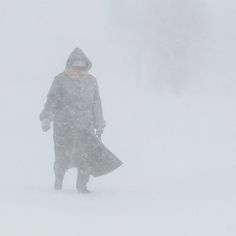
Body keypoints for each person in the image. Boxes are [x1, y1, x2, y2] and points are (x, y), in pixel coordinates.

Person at [39, 48, 122, 193]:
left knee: (86, 157)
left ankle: (82, 185)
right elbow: (51, 100)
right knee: (62, 157)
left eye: (82, 63)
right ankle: (58, 182)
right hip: (64, 127)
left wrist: (99, 122)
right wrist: (46, 118)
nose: (79, 66)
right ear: (70, 63)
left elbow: (96, 103)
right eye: (76, 63)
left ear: (86, 64)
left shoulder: (91, 81)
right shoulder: (60, 80)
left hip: (85, 127)